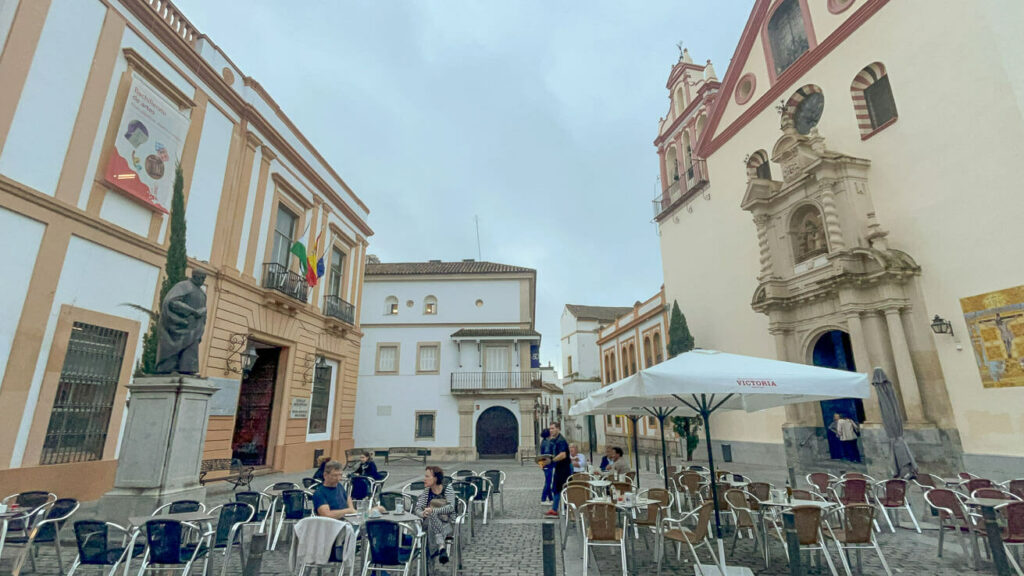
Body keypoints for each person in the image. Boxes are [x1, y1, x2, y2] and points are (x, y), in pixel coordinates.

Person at [413, 466, 456, 565]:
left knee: (431, 520)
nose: (425, 479)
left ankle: (430, 560)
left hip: (447, 524)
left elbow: (451, 508)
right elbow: (418, 508)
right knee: (431, 519)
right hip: (430, 525)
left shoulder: (447, 489)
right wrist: (422, 513)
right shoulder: (427, 491)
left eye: (427, 476)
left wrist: (434, 510)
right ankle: (441, 547)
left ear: (435, 478)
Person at [546, 422, 572, 518]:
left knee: (560, 489)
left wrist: (552, 460)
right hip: (559, 468)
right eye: (550, 429)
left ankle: (558, 509)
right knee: (557, 488)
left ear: (558, 429)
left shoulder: (561, 441)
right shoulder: (556, 440)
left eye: (553, 428)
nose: (551, 430)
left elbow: (563, 455)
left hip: (563, 469)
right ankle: (557, 508)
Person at [539, 428, 554, 503]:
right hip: (547, 464)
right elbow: (547, 453)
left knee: (548, 481)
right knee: (548, 482)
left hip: (543, 463)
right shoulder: (548, 442)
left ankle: (551, 499)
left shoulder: (543, 441)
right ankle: (543, 498)